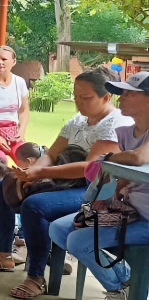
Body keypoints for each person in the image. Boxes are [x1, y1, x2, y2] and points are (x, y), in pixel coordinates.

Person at [0, 70, 132, 299]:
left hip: (92, 191)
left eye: (85, 98)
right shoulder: (76, 120)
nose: (78, 102)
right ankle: (3, 255)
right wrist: (32, 171)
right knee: (0, 188)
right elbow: (52, 153)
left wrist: (41, 172)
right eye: (76, 96)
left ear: (106, 98)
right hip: (62, 181)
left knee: (35, 205)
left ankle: (36, 277)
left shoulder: (116, 123)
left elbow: (88, 168)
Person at [49, 71, 149, 300]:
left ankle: (120, 289)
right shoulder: (125, 133)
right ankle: (123, 283)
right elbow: (120, 176)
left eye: (128, 94)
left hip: (146, 219)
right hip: (129, 213)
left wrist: (107, 159)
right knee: (59, 229)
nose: (120, 98)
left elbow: (137, 158)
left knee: (78, 240)